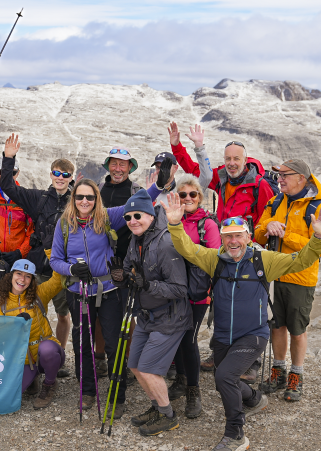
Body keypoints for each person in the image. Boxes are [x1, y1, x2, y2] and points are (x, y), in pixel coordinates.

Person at [165, 193, 321, 451]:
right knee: (223, 380)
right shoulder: (214, 259)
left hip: (253, 334)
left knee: (225, 376)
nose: (233, 241)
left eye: (238, 235)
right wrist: (175, 224)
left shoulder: (263, 260)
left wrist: (319, 238)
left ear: (248, 237)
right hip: (223, 335)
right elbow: (187, 249)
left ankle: (236, 434)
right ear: (223, 240)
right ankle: (255, 399)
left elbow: (301, 260)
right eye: (228, 236)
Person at [49, 177, 164, 419]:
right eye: (80, 196)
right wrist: (70, 270)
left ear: (96, 199)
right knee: (82, 345)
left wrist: (159, 185)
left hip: (109, 290)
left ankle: (117, 396)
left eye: (90, 197)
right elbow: (55, 259)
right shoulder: (64, 225)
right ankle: (88, 391)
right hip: (78, 292)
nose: (84, 201)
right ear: (73, 199)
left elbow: (136, 204)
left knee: (114, 344)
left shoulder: (106, 216)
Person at [167, 123, 275, 376]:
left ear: (245, 160)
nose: (231, 163)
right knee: (223, 302)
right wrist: (179, 145)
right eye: (228, 158)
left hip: (247, 251)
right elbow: (195, 173)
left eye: (236, 158)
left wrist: (254, 241)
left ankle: (250, 361)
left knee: (247, 305)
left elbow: (267, 216)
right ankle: (221, 352)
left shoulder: (259, 185)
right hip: (225, 249)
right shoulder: (223, 178)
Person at [108, 190, 189, 437]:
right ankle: (157, 407)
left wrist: (146, 285)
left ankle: (167, 416)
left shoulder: (165, 243)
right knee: (134, 365)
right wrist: (122, 278)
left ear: (151, 215)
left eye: (138, 215)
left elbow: (180, 288)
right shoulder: (137, 239)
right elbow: (133, 271)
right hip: (146, 314)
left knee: (148, 370)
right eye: (129, 217)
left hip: (170, 316)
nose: (132, 221)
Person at [254, 159, 321, 402]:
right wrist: (269, 225)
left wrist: (286, 233)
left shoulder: (317, 206)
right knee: (276, 325)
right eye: (279, 175)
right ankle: (278, 370)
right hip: (274, 274)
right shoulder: (274, 201)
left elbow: (319, 247)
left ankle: (296, 375)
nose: (280, 179)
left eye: (285, 175)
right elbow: (257, 232)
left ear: (302, 178)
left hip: (300, 277)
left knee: (297, 330)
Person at [0, 133, 74, 378]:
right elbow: (8, 186)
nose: (60, 178)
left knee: (63, 313)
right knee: (29, 310)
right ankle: (28, 358)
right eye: (56, 173)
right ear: (51, 174)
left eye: (65, 175)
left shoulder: (79, 202)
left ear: (71, 177)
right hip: (37, 265)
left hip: (62, 267)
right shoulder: (38, 199)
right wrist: (9, 158)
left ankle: (57, 357)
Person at [164, 176, 220, 418]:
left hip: (197, 293)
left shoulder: (207, 224)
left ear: (200, 197)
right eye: (183, 194)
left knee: (188, 338)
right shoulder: (170, 220)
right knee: (175, 336)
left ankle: (193, 389)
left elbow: (212, 257)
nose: (188, 198)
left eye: (192, 194)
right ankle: (180, 378)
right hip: (173, 290)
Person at [0, 259, 65, 409]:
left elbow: (58, 279)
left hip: (46, 354)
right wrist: (15, 324)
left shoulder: (39, 295)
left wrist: (51, 251)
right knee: (4, 399)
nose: (22, 279)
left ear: (32, 280)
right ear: (11, 276)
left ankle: (49, 384)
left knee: (47, 349)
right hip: (22, 360)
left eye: (28, 276)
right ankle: (32, 377)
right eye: (19, 274)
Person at [95, 147, 142, 378]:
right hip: (99, 262)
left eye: (123, 164)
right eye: (114, 163)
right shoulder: (97, 190)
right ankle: (101, 358)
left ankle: (129, 361)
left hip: (126, 261)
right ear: (108, 166)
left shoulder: (136, 192)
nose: (118, 169)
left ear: (130, 167)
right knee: (100, 314)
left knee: (126, 314)